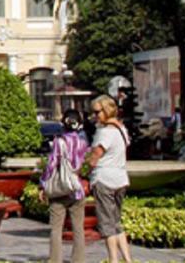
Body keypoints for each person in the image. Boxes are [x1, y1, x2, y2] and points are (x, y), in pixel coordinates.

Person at [86, 94, 133, 263]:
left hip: (104, 179)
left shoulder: (104, 132)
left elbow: (95, 157)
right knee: (116, 221)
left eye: (97, 112)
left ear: (106, 111)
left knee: (106, 224)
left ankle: (113, 259)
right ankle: (127, 259)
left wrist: (84, 169)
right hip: (120, 179)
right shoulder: (122, 129)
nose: (94, 115)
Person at [41, 109, 90, 263]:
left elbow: (51, 165)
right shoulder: (83, 143)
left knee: (56, 228)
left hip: (60, 189)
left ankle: (55, 259)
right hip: (77, 188)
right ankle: (78, 259)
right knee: (78, 228)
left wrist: (42, 185)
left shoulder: (59, 142)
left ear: (63, 123)